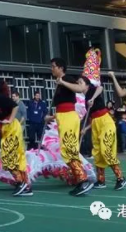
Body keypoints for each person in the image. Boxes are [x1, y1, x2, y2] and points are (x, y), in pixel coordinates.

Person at [49, 58, 93, 196]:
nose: (52, 69)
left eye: (53, 66)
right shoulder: (59, 82)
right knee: (67, 150)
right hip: (63, 116)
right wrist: (52, 117)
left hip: (68, 117)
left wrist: (63, 82)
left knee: (69, 150)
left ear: (61, 68)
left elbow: (80, 89)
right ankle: (80, 179)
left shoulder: (66, 78)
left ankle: (82, 180)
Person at [81, 76, 126, 190]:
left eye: (80, 82)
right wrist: (86, 129)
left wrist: (92, 98)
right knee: (97, 152)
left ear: (86, 84)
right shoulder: (85, 97)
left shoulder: (92, 90)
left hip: (106, 122)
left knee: (106, 149)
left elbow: (100, 88)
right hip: (96, 124)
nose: (78, 84)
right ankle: (101, 181)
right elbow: (93, 117)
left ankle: (120, 178)